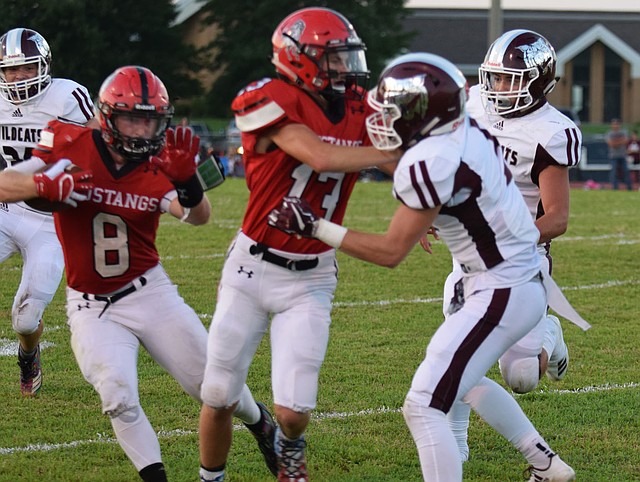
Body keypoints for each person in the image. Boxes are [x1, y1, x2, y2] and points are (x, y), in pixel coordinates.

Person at [269, 52, 583, 481]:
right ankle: (545, 464)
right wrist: (429, 213)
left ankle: (539, 458)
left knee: (424, 403)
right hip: (502, 279)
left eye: (398, 110)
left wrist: (315, 226)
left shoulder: (439, 157)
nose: (387, 118)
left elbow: (389, 252)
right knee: (454, 382)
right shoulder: (469, 133)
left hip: (501, 286)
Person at [0, 65, 271, 482]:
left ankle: (260, 422)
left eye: (151, 119)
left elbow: (197, 217)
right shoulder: (70, 143)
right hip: (91, 305)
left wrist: (188, 184)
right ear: (108, 116)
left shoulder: (161, 161)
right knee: (118, 395)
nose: (143, 130)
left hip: (151, 294)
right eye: (133, 118)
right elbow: (6, 184)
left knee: (216, 391)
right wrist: (43, 186)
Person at [197, 7, 399, 482]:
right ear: (299, 58)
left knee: (294, 412)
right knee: (219, 393)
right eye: (333, 59)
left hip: (312, 273)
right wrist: (392, 154)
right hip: (251, 267)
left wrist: (421, 196)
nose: (345, 69)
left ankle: (287, 444)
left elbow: (404, 166)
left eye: (345, 58)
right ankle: (210, 478)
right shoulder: (266, 98)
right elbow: (319, 153)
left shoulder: (357, 105)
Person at [446, 29, 583, 462]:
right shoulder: (473, 104)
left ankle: (550, 331)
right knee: (457, 353)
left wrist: (507, 239)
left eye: (510, 79)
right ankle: (456, 439)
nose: (499, 88)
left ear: (538, 81)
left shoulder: (549, 131)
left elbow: (557, 218)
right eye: (495, 78)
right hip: (469, 257)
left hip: (521, 260)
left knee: (522, 377)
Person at [0, 27, 95, 397]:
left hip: (49, 221)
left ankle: (29, 351)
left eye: (26, 68)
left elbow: (98, 144)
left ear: (44, 65)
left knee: (25, 319)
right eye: (10, 70)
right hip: (6, 209)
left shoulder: (67, 96)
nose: (18, 76)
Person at [606, 118, 632, 190]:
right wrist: (620, 141)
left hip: (622, 155)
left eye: (617, 124)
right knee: (613, 173)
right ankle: (615, 188)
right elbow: (611, 144)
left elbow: (626, 141)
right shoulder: (609, 133)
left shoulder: (623, 132)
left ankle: (629, 187)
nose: (615, 126)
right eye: (614, 124)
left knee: (626, 171)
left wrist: (616, 142)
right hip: (613, 156)